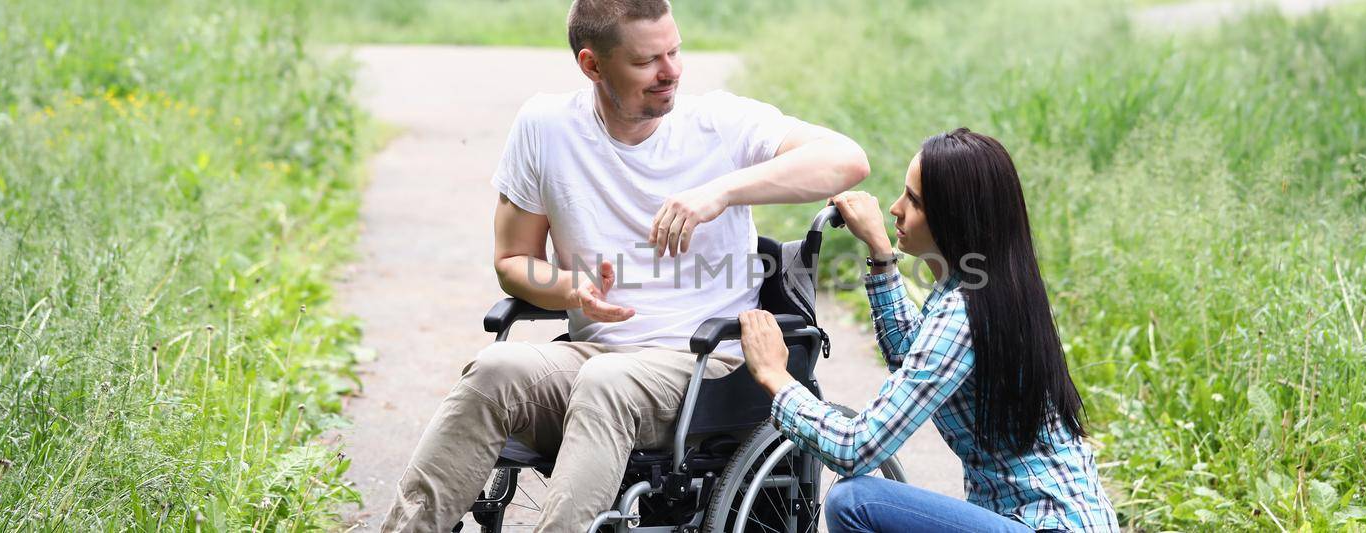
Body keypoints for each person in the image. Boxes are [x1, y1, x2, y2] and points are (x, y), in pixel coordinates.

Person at [379, 1, 871, 531]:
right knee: (495, 371)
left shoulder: (721, 123)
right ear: (592, 65)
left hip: (706, 366)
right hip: (595, 356)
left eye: (675, 51)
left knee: (607, 381)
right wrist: (571, 289)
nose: (671, 71)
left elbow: (848, 160)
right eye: (646, 61)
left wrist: (719, 193)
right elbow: (514, 261)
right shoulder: (546, 126)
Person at [738, 128, 1118, 532]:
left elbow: (856, 447)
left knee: (854, 501)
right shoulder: (988, 287)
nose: (895, 208)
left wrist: (776, 377)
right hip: (1059, 519)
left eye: (914, 201)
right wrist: (882, 255)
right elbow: (911, 357)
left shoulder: (964, 315)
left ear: (955, 219)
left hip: (1043, 525)